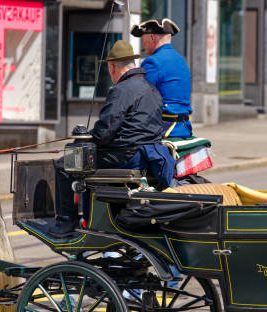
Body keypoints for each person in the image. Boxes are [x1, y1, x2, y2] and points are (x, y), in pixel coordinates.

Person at [50, 40, 174, 237]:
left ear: (113, 67)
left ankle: (65, 224)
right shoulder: (151, 89)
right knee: (80, 156)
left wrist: (82, 140)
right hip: (146, 155)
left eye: (109, 69)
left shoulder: (121, 90)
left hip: (125, 156)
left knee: (65, 164)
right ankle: (93, 215)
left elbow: (105, 133)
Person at [131, 18, 193, 139]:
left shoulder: (152, 62)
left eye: (143, 40)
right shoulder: (181, 60)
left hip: (164, 128)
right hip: (184, 127)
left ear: (152, 37)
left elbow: (140, 98)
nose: (143, 45)